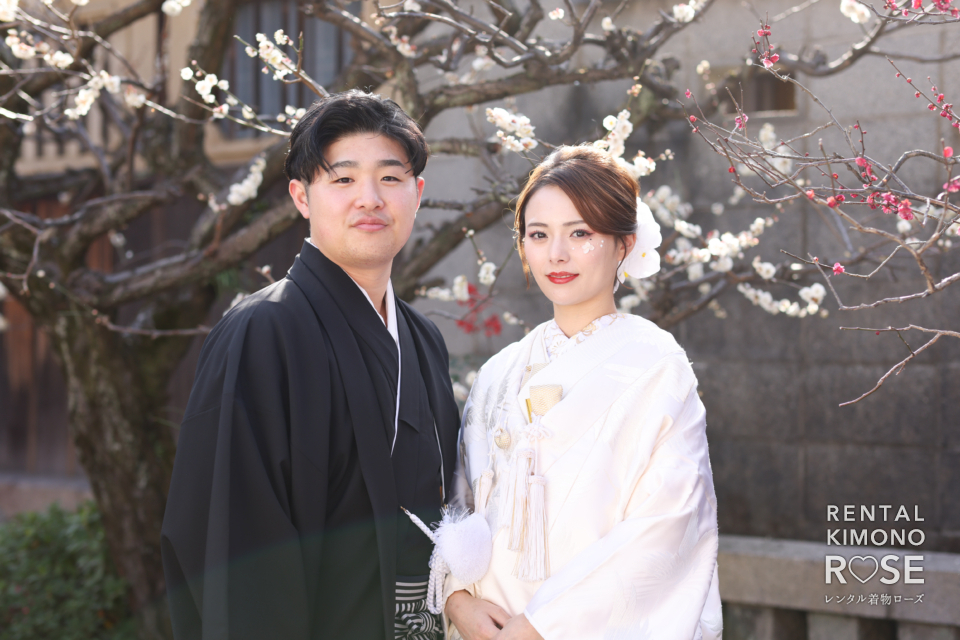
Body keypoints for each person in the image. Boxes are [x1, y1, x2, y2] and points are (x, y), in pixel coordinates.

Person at [161, 90, 460, 640]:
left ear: (416, 194)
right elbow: (237, 548)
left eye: (390, 179)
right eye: (343, 179)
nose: (369, 198)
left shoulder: (423, 340)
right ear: (302, 197)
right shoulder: (262, 332)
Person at [442, 146, 723, 640]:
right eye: (539, 235)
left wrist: (542, 625)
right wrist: (456, 597)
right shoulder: (498, 373)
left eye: (580, 233)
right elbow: (459, 505)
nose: (557, 254)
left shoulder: (657, 365)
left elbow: (670, 521)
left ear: (623, 244)